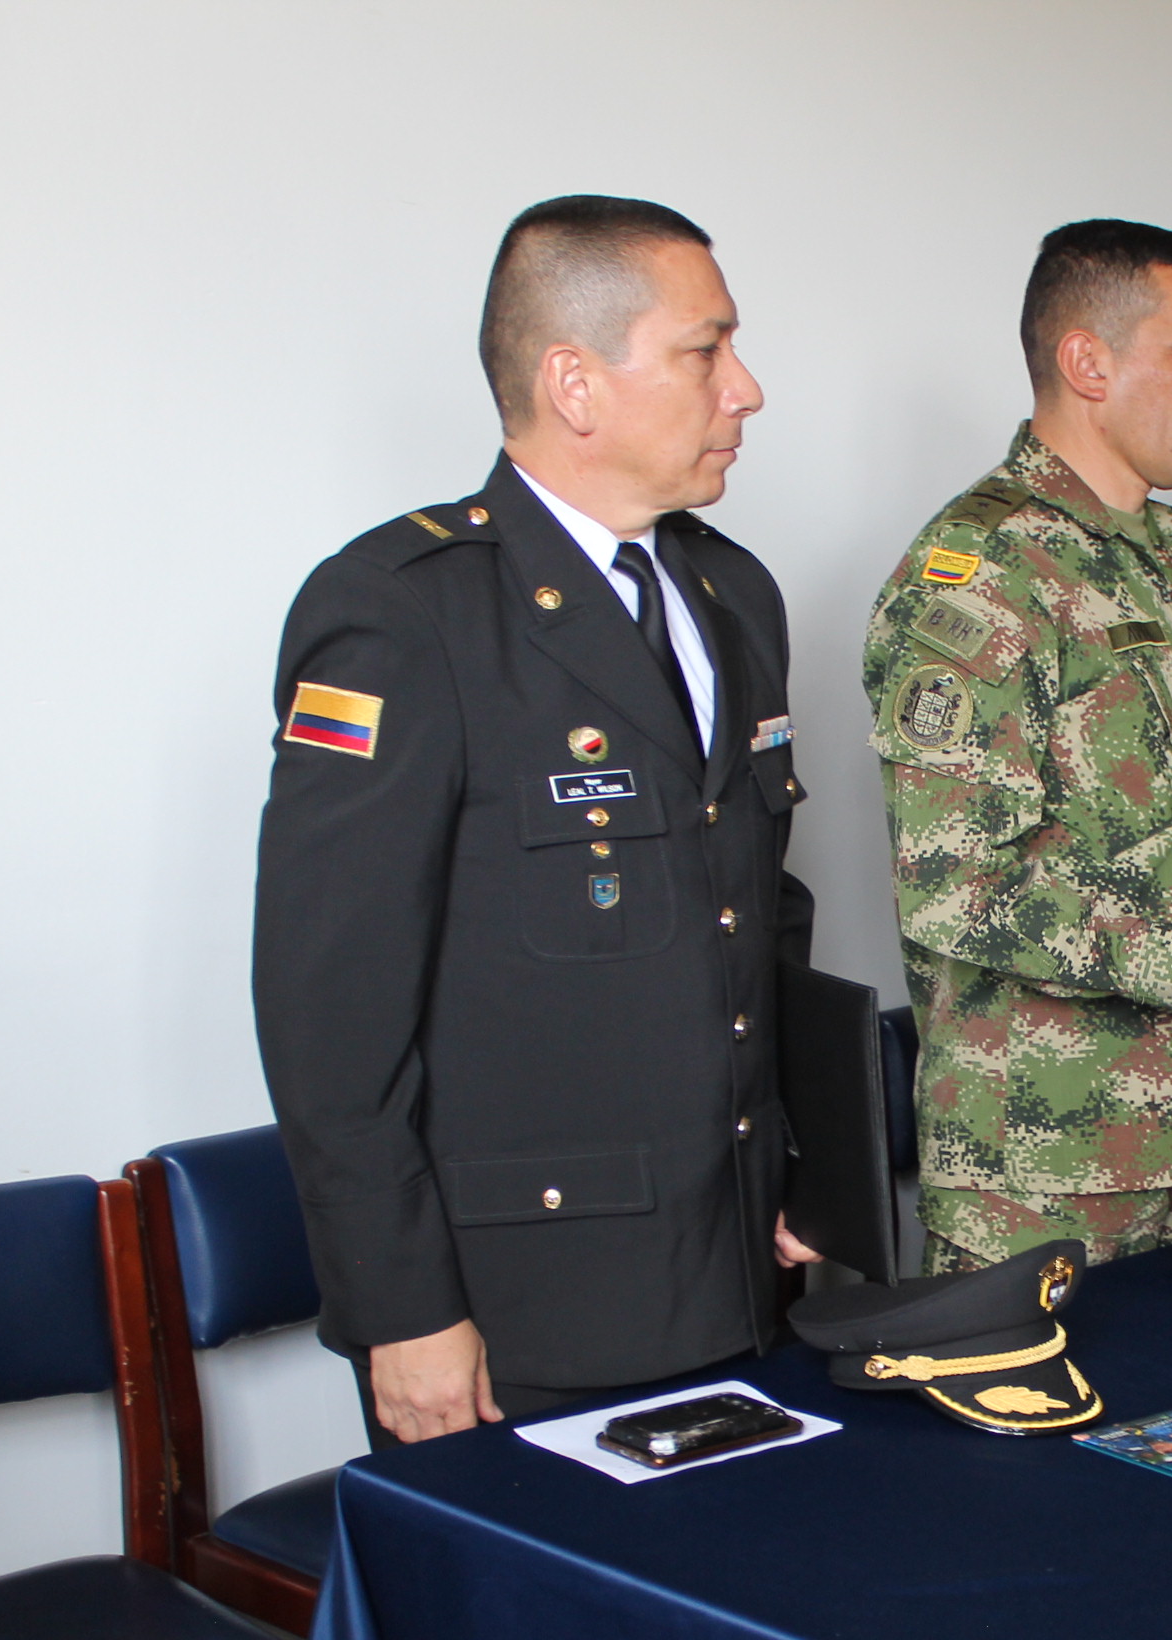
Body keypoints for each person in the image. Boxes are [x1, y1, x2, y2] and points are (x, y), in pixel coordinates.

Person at [253, 196, 819, 1444]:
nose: (746, 390)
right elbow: (328, 1012)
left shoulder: (733, 593)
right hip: (527, 1310)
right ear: (575, 383)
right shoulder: (403, 614)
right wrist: (401, 1309)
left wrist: (805, 1174)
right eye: (705, 351)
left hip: (743, 1267)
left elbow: (764, 913)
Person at [860, 220, 1172, 1275]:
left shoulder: (1156, 563)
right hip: (1045, 1172)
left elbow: (1140, 822)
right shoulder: (985, 575)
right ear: (1088, 364)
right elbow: (955, 884)